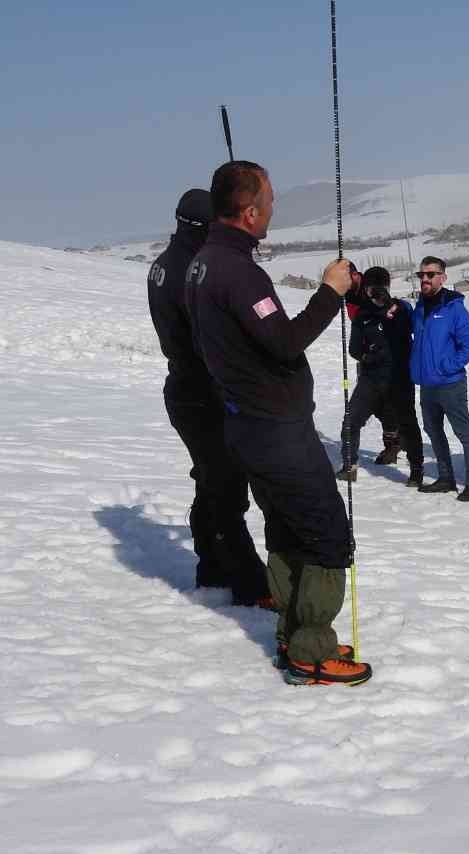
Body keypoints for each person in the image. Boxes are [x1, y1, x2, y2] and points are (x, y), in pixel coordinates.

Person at [188, 160, 370, 686]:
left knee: (288, 531)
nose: (272, 211)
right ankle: (313, 652)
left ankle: (295, 633)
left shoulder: (205, 262)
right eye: (269, 202)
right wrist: (332, 291)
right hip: (275, 430)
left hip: (248, 426)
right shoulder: (237, 271)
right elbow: (284, 342)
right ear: (249, 212)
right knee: (327, 535)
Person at [146, 188, 270, 608]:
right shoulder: (190, 271)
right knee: (227, 491)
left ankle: (211, 568)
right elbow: (213, 337)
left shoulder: (164, 264)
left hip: (184, 389)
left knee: (211, 481)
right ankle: (250, 585)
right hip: (203, 391)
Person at [337, 266, 424, 487]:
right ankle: (349, 465)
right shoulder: (363, 314)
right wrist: (367, 355)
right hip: (371, 377)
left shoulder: (401, 308)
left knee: (407, 422)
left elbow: (410, 328)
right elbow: (354, 349)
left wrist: (388, 307)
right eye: (371, 289)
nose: (375, 292)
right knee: (351, 420)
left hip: (399, 376)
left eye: (380, 288)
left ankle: (416, 469)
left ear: (387, 287)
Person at [409, 256, 469, 501]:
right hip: (427, 385)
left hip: (450, 384)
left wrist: (445, 366)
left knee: (463, 432)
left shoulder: (454, 308)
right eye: (422, 275)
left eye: (430, 274)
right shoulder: (419, 308)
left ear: (443, 277)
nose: (425, 279)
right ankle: (446, 477)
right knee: (433, 431)